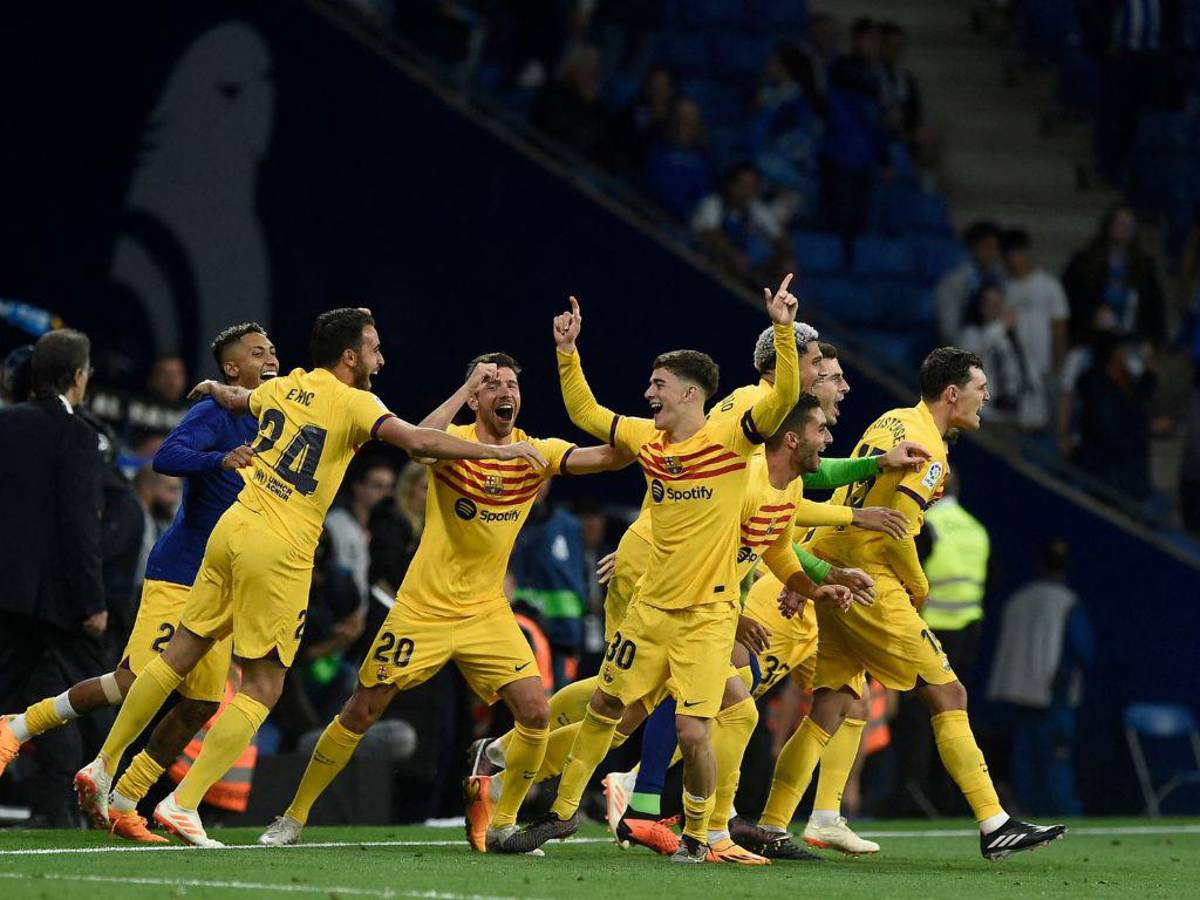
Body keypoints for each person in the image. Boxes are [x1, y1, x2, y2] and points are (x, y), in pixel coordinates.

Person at [75, 308, 546, 847]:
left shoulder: (288, 384)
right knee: (264, 684)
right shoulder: (356, 402)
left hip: (234, 526)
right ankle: (183, 804)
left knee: (181, 649)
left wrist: (212, 385)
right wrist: (497, 450)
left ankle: (105, 764)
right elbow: (418, 444)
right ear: (350, 357)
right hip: (280, 547)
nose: (381, 358)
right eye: (373, 349)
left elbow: (235, 399)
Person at [257, 350, 633, 855]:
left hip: (486, 612)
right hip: (422, 609)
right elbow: (416, 444)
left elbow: (609, 457)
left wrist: (649, 438)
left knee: (536, 712)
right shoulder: (451, 441)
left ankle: (504, 823)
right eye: (491, 384)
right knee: (361, 710)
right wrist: (463, 388)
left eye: (512, 385)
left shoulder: (535, 451)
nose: (506, 393)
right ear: (475, 396)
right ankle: (293, 817)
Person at [509, 279, 821, 861]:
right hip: (650, 610)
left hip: (707, 616)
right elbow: (584, 410)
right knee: (606, 706)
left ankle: (701, 834)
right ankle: (560, 814)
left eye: (658, 384)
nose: (648, 392)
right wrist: (567, 352)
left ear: (691, 392)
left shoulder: (732, 439)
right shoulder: (648, 440)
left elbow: (779, 405)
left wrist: (782, 329)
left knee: (695, 732)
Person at [754, 347, 1068, 860]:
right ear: (952, 393)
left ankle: (772, 824)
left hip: (838, 569)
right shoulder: (931, 451)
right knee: (950, 695)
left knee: (831, 703)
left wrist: (810, 561)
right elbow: (898, 527)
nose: (986, 396)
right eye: (980, 388)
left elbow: (844, 494)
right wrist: (918, 586)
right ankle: (994, 822)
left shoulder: (892, 422)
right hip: (871, 584)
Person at [1, 324, 275, 837]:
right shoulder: (214, 414)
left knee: (200, 703)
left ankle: (127, 800)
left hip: (229, 585)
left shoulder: (280, 418)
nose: (271, 357)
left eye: (272, 349)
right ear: (232, 369)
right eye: (257, 352)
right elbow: (167, 458)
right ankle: (18, 726)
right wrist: (220, 457)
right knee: (135, 680)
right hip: (182, 573)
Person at [0, 330, 105, 827]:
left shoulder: (5, 424)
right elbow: (78, 526)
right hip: (56, 602)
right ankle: (124, 803)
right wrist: (92, 601)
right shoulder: (78, 435)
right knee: (104, 690)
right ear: (79, 376)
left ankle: (73, 809)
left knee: (9, 691)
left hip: (6, 594)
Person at [889, 471, 992, 817]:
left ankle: (913, 798)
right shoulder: (977, 529)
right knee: (955, 713)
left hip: (928, 631)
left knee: (918, 721)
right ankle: (948, 796)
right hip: (968, 635)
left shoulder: (924, 524)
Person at [988, 540, 1092, 815]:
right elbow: (1083, 651)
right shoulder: (1068, 603)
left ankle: (1029, 822)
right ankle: (1067, 822)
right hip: (1053, 698)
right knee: (1055, 769)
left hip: (1020, 696)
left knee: (1025, 770)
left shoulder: (1018, 600)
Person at [509, 481, 590, 688]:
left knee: (557, 708)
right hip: (514, 633)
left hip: (562, 638)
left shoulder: (568, 527)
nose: (537, 485)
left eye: (543, 478)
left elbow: (578, 583)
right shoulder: (502, 522)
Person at [1062, 205, 1166, 347]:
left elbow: (1155, 306)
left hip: (1131, 338)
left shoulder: (1144, 266)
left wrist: (1157, 341)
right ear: (1108, 226)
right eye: (1120, 224)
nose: (1125, 229)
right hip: (1091, 338)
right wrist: (1090, 317)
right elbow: (1070, 298)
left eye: (1130, 225)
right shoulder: (1084, 261)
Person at [1000, 228, 1069, 431]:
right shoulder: (1004, 288)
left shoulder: (1049, 285)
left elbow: (1059, 327)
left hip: (1044, 365)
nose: (1015, 259)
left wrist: (1057, 366)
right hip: (1014, 368)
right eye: (1010, 254)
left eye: (1018, 252)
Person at [325, 458, 396, 604]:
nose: (385, 494)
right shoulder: (337, 523)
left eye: (388, 487)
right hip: (335, 613)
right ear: (358, 486)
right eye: (377, 486)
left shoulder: (382, 529)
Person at [937, 221, 1003, 345]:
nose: (992, 253)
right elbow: (949, 332)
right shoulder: (952, 283)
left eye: (996, 248)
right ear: (973, 248)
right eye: (987, 247)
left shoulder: (1000, 279)